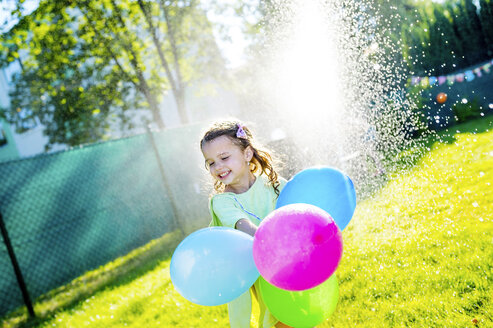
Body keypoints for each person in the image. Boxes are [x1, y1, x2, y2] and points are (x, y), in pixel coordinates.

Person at [200, 120, 291, 328]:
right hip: (263, 272)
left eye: (224, 157)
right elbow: (242, 225)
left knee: (302, 315)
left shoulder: (275, 185)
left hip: (291, 261)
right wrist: (269, 244)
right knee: (279, 317)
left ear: (247, 154)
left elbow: (296, 214)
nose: (218, 166)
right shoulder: (222, 201)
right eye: (211, 162)